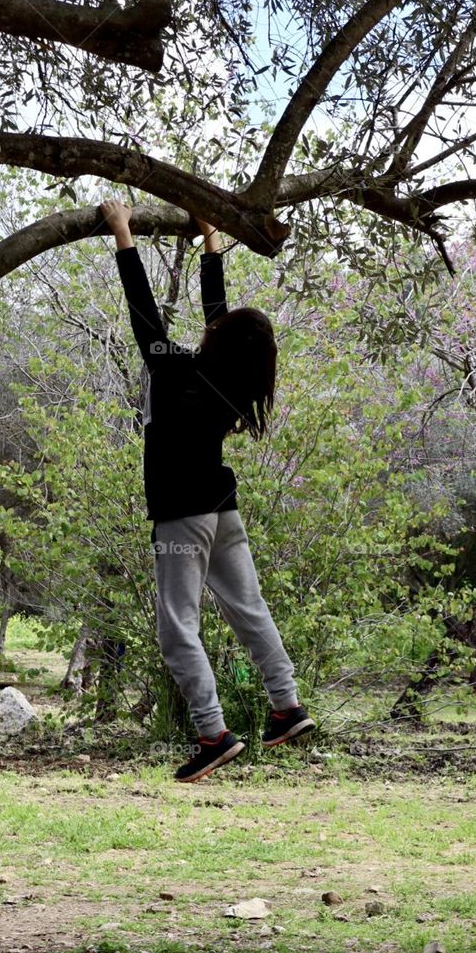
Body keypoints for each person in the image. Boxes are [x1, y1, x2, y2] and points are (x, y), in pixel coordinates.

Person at [99, 199, 315, 783]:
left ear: (221, 340)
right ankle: (287, 706)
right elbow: (217, 317)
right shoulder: (230, 382)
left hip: (183, 515)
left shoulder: (178, 370)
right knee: (249, 610)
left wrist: (123, 234)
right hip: (223, 511)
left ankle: (213, 734)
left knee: (178, 628)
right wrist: (211, 241)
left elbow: (144, 314)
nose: (212, 327)